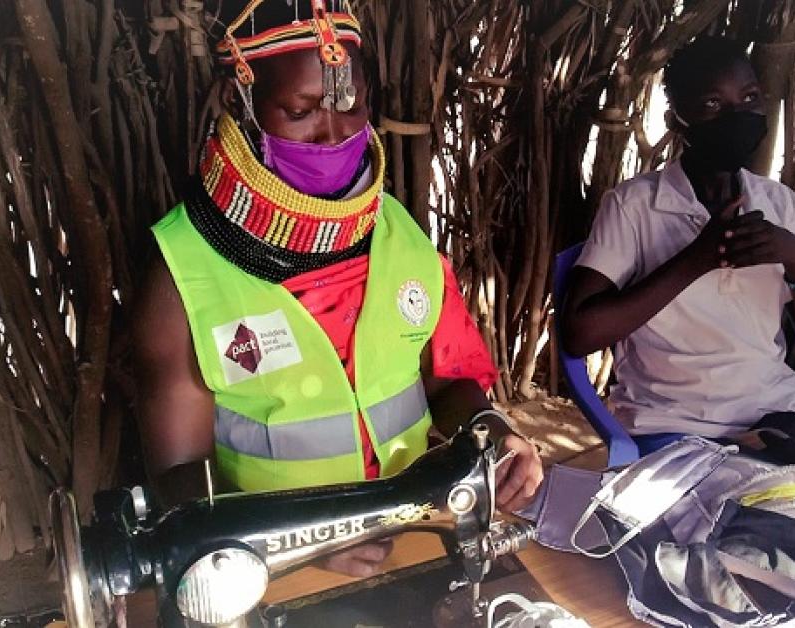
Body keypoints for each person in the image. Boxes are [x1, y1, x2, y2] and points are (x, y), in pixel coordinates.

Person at [132, 0, 541, 578]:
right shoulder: (183, 273)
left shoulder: (396, 232)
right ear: (236, 99)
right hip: (270, 573)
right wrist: (304, 536)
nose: (333, 133)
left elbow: (445, 383)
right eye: (300, 111)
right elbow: (180, 482)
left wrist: (492, 433)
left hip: (420, 538)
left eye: (350, 104)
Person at [561, 36, 795, 440]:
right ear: (676, 120)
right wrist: (695, 261)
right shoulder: (635, 206)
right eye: (713, 103)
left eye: (749, 97)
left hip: (775, 417)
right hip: (668, 423)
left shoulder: (780, 205)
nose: (738, 115)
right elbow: (580, 334)